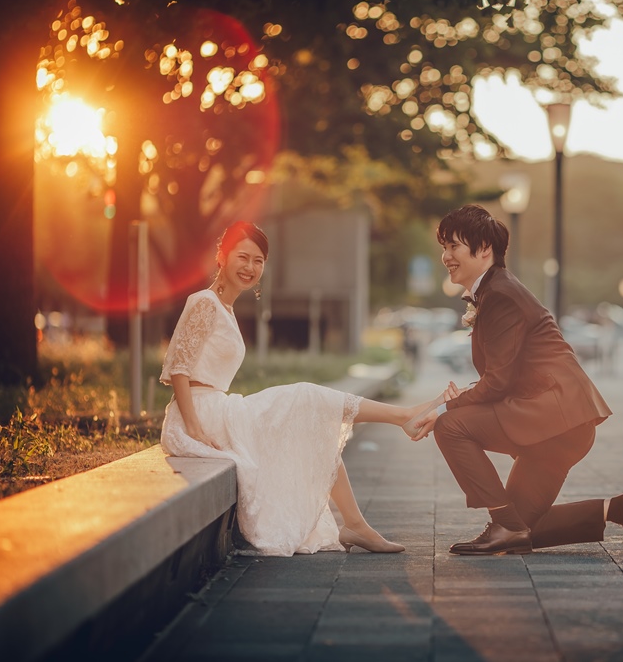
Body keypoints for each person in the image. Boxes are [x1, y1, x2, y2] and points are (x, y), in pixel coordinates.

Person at [159, 221, 439, 557]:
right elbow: (179, 368)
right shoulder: (204, 302)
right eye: (243, 257)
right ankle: (401, 417)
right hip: (201, 414)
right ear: (221, 255)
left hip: (216, 409)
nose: (250, 267)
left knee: (311, 418)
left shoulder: (227, 309)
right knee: (305, 397)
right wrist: (192, 427)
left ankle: (354, 523)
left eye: (258, 261)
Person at [408, 205, 623, 556]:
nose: (445, 256)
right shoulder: (495, 290)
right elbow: (505, 374)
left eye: (453, 246)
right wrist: (464, 394)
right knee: (522, 531)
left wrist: (447, 407)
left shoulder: (500, 295)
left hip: (553, 418)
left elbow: (498, 383)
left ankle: (504, 524)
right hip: (560, 421)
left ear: (483, 249)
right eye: (443, 247)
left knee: (450, 426)